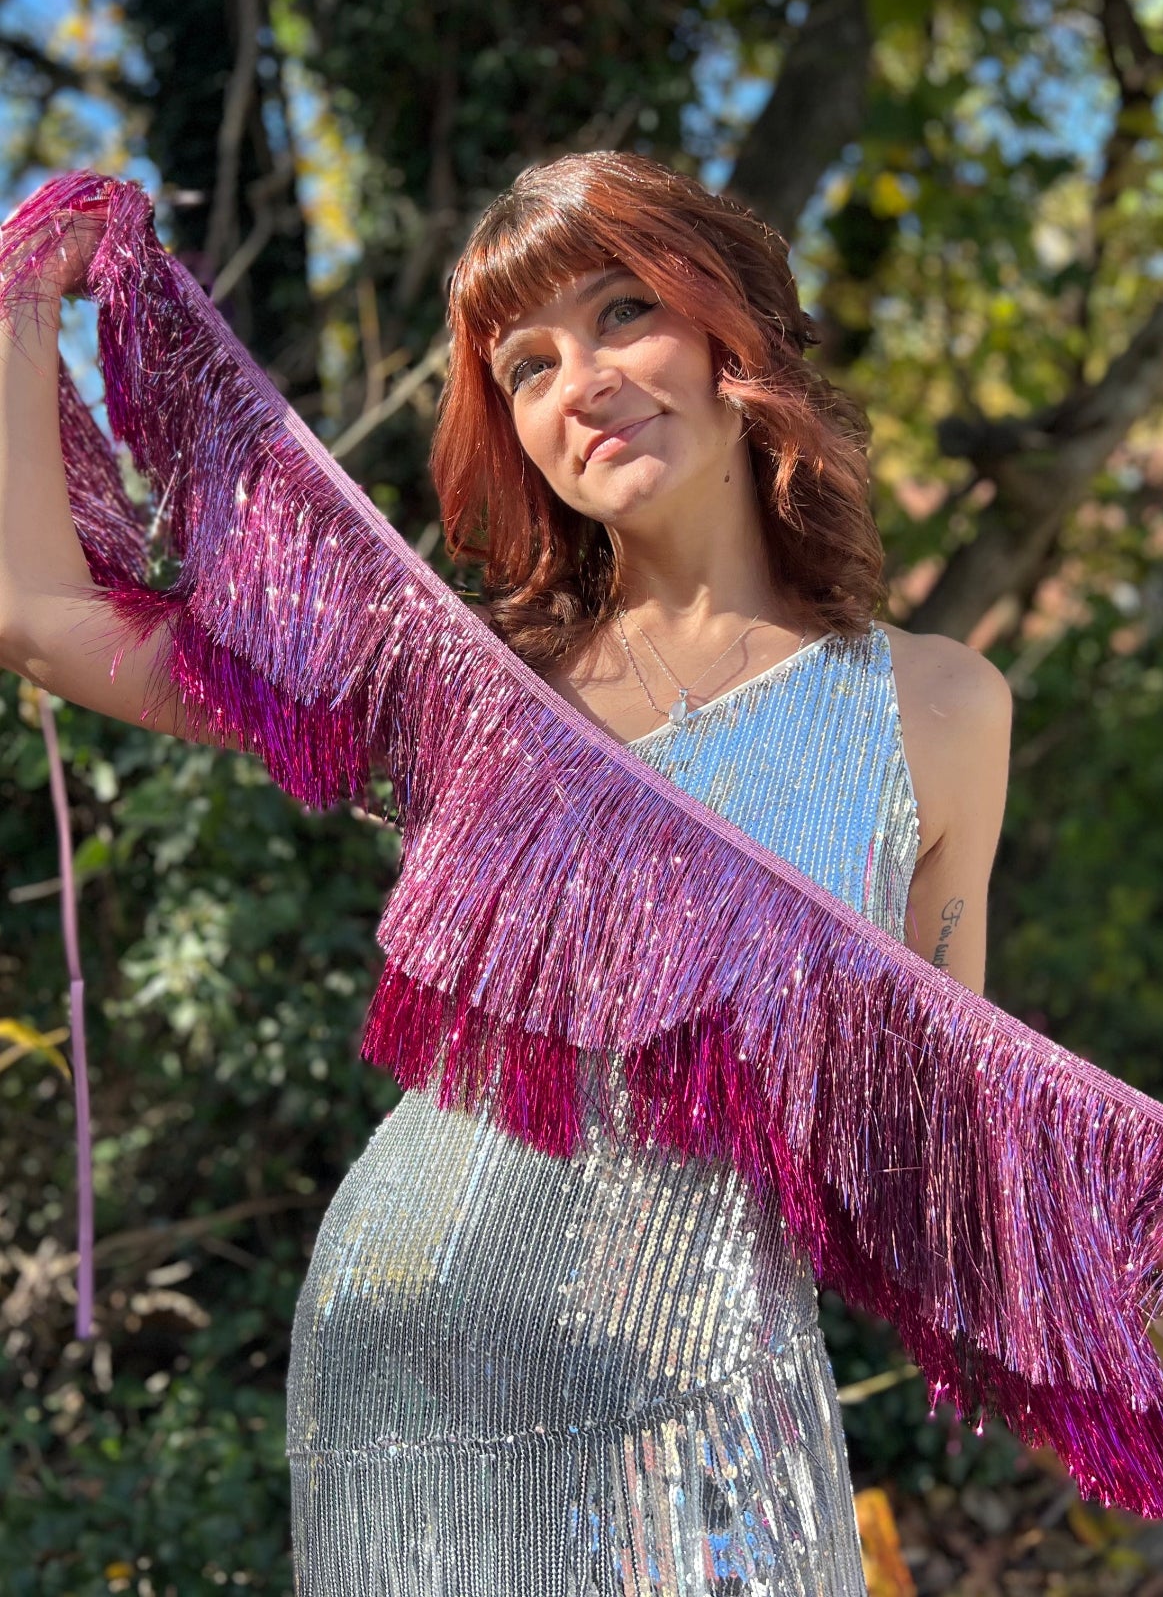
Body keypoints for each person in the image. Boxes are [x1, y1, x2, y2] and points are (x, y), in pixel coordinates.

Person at [0, 153, 1012, 1594]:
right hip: (401, 1384)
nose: (580, 380)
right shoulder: (470, 692)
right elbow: (41, 616)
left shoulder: (941, 708)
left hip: (694, 1403)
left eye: (620, 314)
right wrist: (25, 312)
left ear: (734, 334)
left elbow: (943, 1140)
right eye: (527, 362)